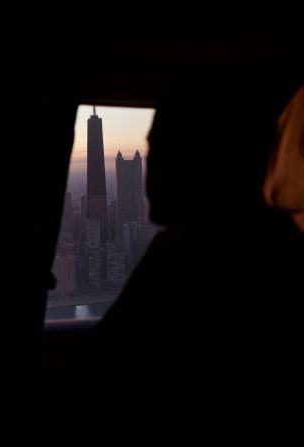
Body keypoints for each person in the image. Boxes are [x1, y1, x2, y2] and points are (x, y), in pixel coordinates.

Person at [51, 67, 304, 441]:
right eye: (152, 149)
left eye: (168, 149)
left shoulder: (246, 266)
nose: (149, 168)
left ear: (218, 160)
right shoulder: (176, 246)